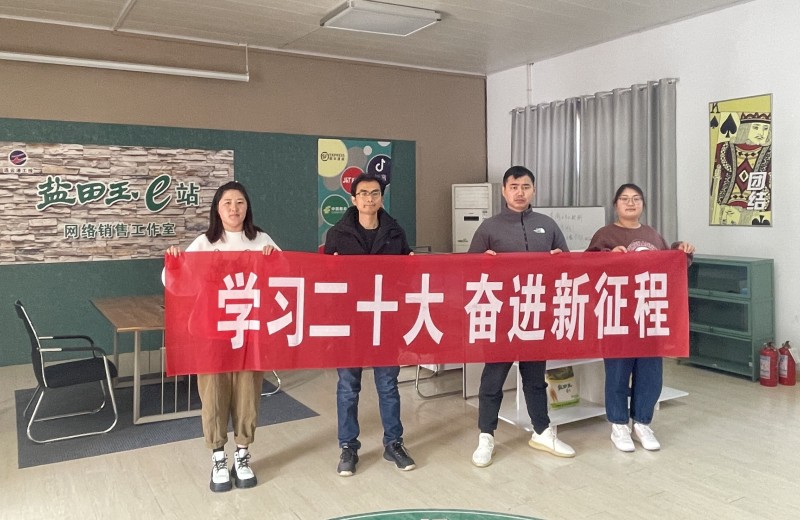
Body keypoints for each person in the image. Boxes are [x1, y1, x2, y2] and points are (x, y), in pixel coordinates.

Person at [164, 181, 280, 492]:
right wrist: (175, 262)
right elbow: (175, 282)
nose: (233, 208)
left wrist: (273, 259)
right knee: (213, 395)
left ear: (247, 207)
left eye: (240, 202)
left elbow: (285, 276)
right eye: (227, 202)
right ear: (217, 208)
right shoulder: (204, 243)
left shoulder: (261, 240)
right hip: (211, 332)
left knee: (247, 395)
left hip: (249, 332)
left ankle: (242, 455)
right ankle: (218, 457)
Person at [469, 165, 576, 468]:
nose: (520, 192)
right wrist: (480, 263)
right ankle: (486, 436)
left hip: (535, 312)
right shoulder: (489, 228)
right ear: (504, 191)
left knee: (535, 378)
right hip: (501, 314)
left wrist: (561, 261)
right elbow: (468, 270)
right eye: (514, 187)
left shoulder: (547, 224)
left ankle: (542, 431)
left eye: (525, 186)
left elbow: (568, 265)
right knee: (493, 378)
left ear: (534, 190)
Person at [586, 183, 695, 452]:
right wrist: (608, 256)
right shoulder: (605, 234)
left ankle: (643, 422)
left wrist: (681, 250)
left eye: (636, 199)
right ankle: (619, 425)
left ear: (643, 204)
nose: (631, 203)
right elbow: (588, 267)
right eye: (624, 199)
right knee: (618, 372)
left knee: (650, 372)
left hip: (649, 313)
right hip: (618, 314)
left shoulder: (652, 234)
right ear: (615, 205)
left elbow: (669, 265)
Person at [324, 172, 416, 477]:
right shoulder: (338, 234)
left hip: (385, 318)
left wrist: (411, 266)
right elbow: (327, 278)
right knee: (348, 386)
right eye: (363, 193)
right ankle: (348, 446)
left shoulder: (395, 232)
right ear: (353, 199)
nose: (369, 199)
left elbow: (406, 276)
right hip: (349, 320)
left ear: (381, 198)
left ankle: (394, 443)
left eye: (375, 193)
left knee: (388, 385)